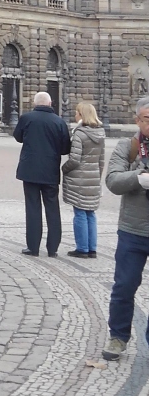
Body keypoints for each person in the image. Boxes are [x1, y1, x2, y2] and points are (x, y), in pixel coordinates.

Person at [102, 97, 149, 359]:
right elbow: (112, 180)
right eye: (147, 119)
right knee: (124, 287)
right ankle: (118, 337)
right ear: (137, 121)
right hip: (133, 229)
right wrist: (138, 178)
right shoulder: (128, 147)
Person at [14, 91, 71, 256]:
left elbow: (18, 137)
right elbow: (65, 149)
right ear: (51, 103)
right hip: (50, 171)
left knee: (33, 208)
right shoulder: (59, 122)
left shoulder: (27, 118)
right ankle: (52, 248)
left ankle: (33, 246)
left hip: (30, 170)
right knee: (52, 209)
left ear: (35, 104)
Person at [62, 101, 105, 258]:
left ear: (82, 115)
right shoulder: (100, 133)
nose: (75, 115)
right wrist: (96, 176)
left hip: (78, 179)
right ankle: (92, 248)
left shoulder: (79, 133)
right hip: (93, 177)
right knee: (90, 213)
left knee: (79, 212)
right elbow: (101, 161)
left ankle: (82, 248)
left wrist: (64, 169)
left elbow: (74, 159)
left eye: (77, 112)